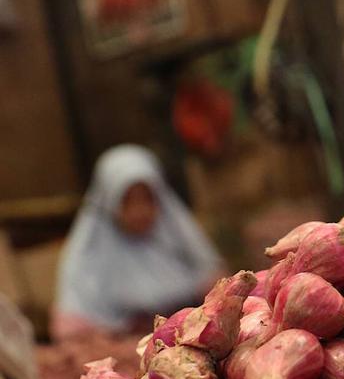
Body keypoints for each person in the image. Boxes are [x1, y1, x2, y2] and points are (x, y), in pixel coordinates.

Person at [52, 145, 223, 341]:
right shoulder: (86, 258)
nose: (140, 211)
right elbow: (71, 330)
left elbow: (216, 287)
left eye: (147, 199)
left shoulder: (180, 239)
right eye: (128, 201)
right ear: (108, 201)